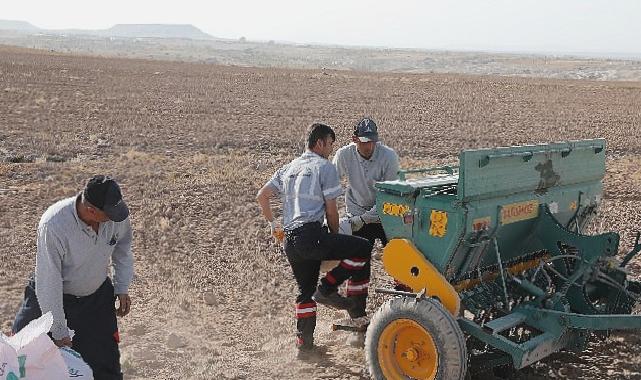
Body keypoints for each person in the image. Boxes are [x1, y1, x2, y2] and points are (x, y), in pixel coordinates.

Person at [256, 123, 373, 354]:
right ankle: (328, 290)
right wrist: (336, 238)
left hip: (290, 241)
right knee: (363, 248)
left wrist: (273, 224)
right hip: (312, 235)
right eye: (330, 144)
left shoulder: (288, 168)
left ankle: (304, 346)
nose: (331, 149)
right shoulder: (324, 167)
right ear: (319, 143)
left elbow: (262, 196)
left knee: (304, 291)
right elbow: (331, 211)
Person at [12, 175, 134, 380]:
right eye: (109, 214)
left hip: (94, 296)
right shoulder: (54, 224)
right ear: (91, 210)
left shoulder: (116, 216)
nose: (116, 218)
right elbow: (49, 281)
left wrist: (122, 287)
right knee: (24, 356)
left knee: (104, 363)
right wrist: (59, 329)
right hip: (50, 294)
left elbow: (123, 249)